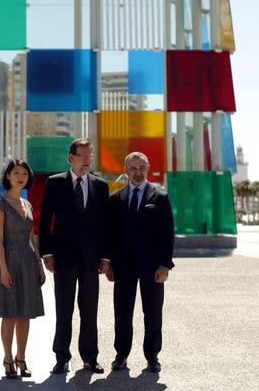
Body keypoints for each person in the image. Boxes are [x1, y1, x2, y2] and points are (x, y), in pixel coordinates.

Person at [39, 138, 111, 374]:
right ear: (71, 157)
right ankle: (61, 357)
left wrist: (106, 256)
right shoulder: (55, 183)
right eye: (83, 155)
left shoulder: (100, 185)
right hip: (63, 258)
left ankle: (90, 357)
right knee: (64, 309)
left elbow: (105, 225)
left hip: (91, 260)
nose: (87, 159)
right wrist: (46, 253)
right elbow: (45, 218)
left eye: (90, 155)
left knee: (89, 310)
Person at [0, 159, 45, 379]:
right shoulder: (0, 204)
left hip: (27, 262)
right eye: (16, 172)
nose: (21, 176)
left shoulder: (28, 204)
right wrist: (4, 270)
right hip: (9, 262)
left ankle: (21, 358)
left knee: (26, 315)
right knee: (10, 314)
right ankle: (7, 359)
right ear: (8, 176)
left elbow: (31, 237)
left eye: (24, 173)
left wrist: (39, 263)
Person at [106, 151, 175, 373]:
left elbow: (168, 234)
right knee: (122, 313)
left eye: (141, 168)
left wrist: (165, 265)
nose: (137, 172)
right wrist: (110, 265)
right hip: (123, 267)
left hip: (153, 267)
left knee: (153, 312)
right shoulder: (116, 199)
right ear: (126, 170)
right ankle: (121, 355)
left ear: (148, 168)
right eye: (133, 168)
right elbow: (111, 235)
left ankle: (152, 356)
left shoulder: (161, 197)